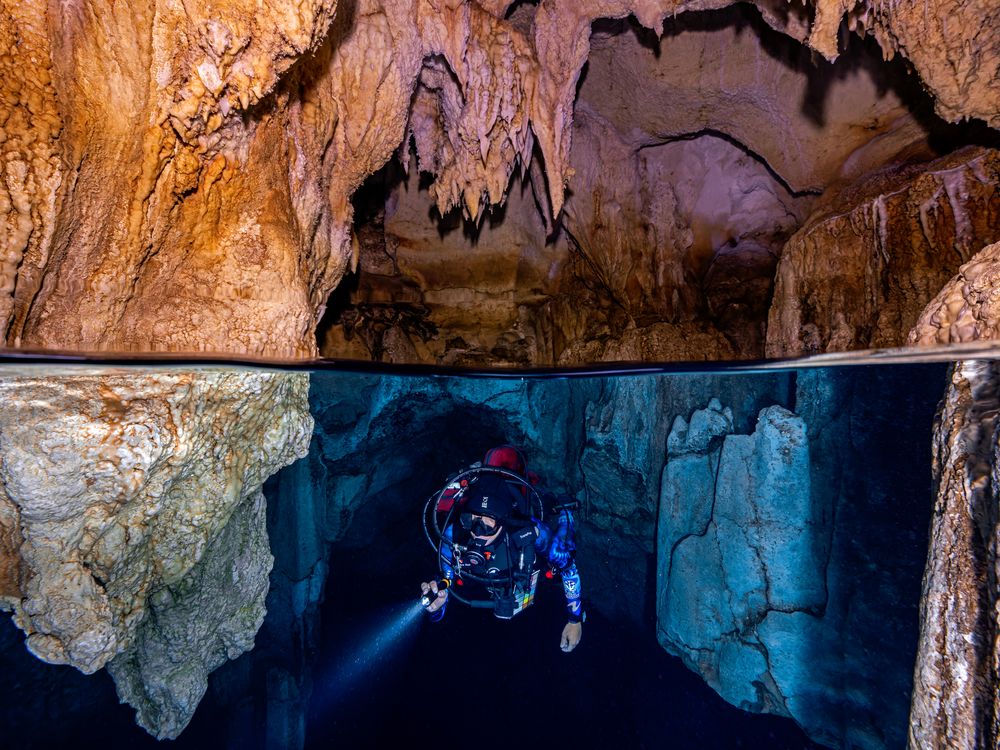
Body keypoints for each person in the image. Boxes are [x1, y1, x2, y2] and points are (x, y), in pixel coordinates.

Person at [420, 447, 585, 653]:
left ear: (504, 522)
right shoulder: (454, 534)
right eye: (472, 520)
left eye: (487, 524)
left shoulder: (530, 532)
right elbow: (446, 580)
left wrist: (575, 619)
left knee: (563, 553)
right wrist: (438, 604)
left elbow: (568, 566)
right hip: (483, 591)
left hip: (525, 574)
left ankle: (565, 512)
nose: (477, 532)